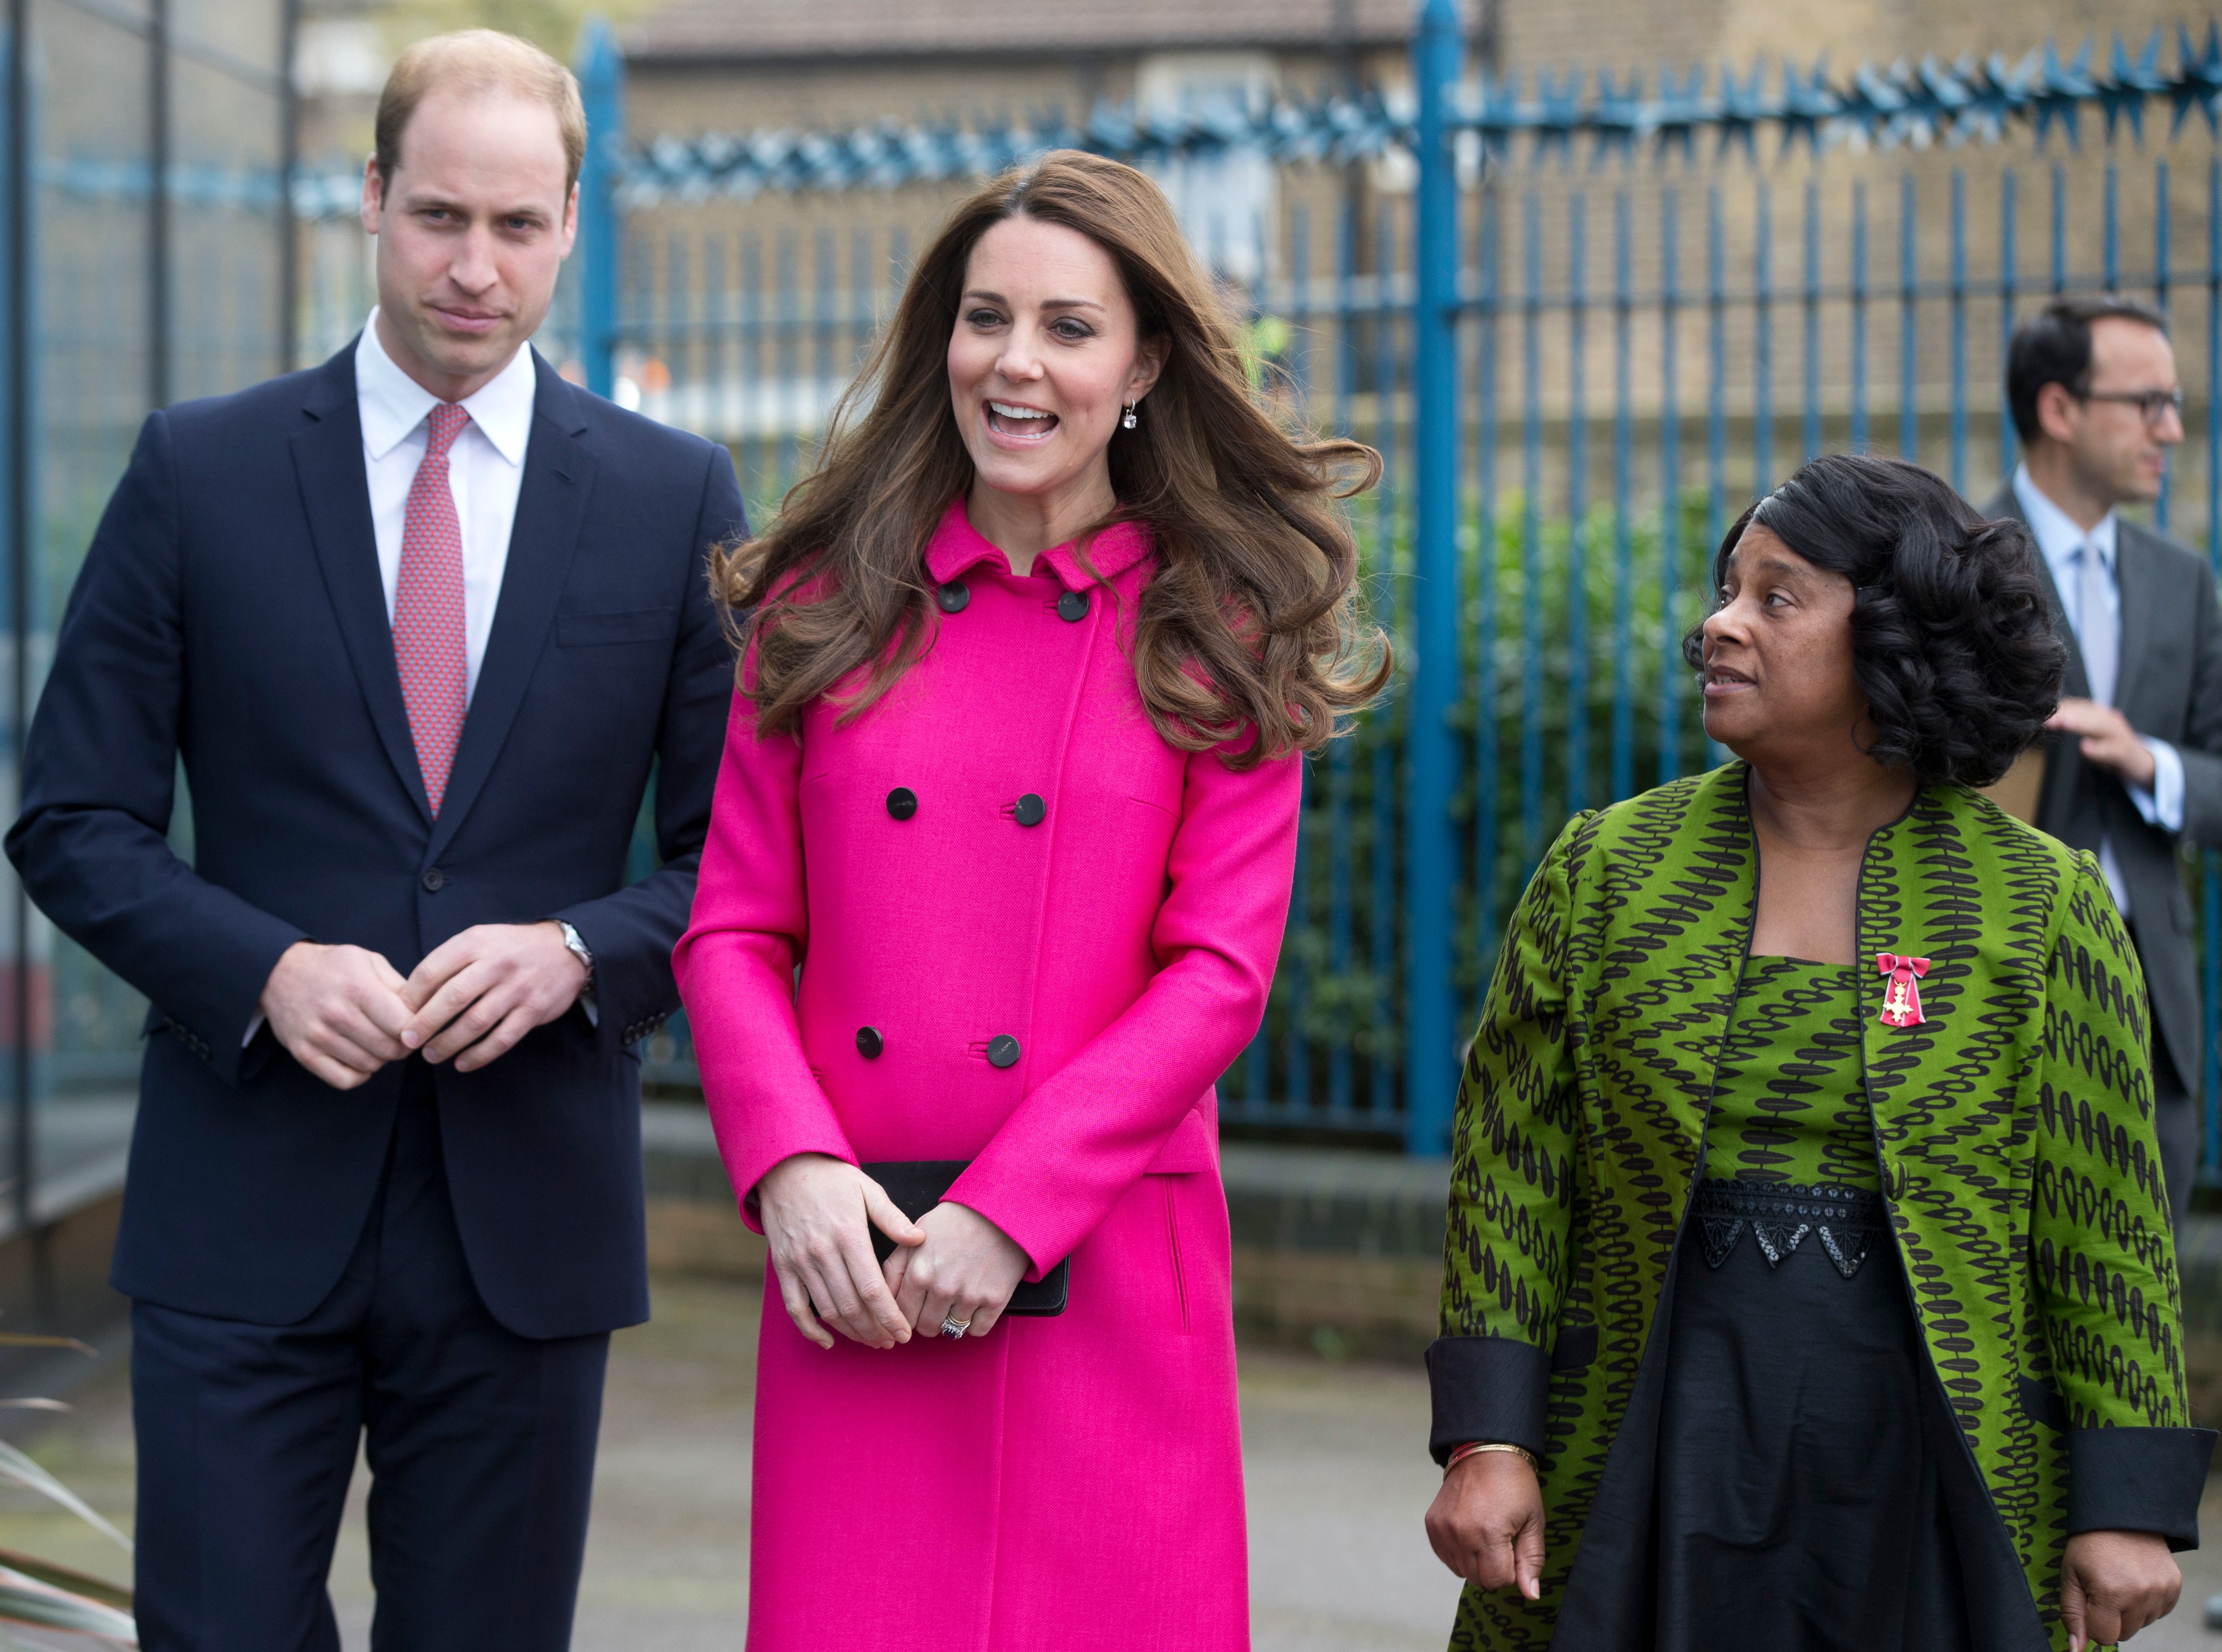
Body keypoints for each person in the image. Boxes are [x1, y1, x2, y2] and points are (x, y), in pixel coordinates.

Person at [6, 31, 743, 1650]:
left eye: (518, 225)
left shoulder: (675, 499)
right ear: (369, 200)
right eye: (437, 218)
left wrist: (576, 953)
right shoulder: (195, 470)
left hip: (526, 1225)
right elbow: (69, 815)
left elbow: (739, 870)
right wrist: (260, 968)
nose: (474, 269)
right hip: (240, 1202)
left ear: (572, 218)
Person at [673, 149, 1386, 1651]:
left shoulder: (1220, 621)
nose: (1018, 361)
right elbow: (735, 925)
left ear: (1139, 364)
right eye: (986, 316)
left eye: (1069, 326)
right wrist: (791, 1163)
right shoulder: (820, 599)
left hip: (1105, 1268)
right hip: (858, 1259)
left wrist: (1012, 1207)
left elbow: (1215, 973)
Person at [1422, 453, 2212, 1652]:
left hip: (1932, 1467)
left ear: (1891, 645)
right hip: (1643, 1449)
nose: (1718, 626)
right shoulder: (1607, 872)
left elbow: (2104, 1220)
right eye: (1725, 589)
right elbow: (1510, 1186)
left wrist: (2127, 1501)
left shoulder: (2035, 906)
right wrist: (1488, 1441)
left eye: (1775, 599)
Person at [1985, 294, 2222, 1231]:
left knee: (2144, 1284)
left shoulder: (2184, 578)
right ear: (2059, 409)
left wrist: (2149, 761)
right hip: (2003, 973)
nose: (2170, 427)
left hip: (2150, 995)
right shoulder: (1958, 557)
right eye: (2148, 402)